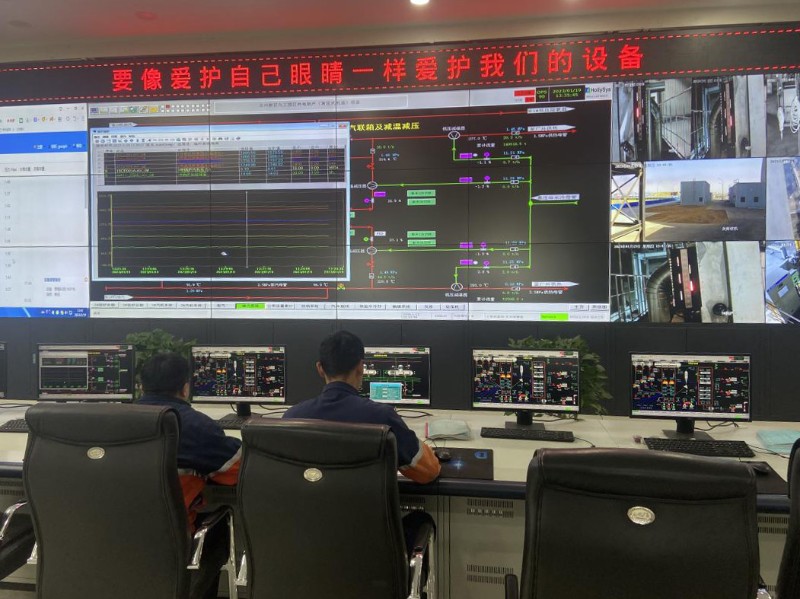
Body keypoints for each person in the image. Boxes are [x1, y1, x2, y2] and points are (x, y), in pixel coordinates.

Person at [136, 351, 240, 599]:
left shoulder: (110, 422)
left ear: (141, 387)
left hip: (110, 531)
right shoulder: (195, 426)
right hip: (172, 537)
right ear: (185, 388)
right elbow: (238, 472)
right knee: (219, 529)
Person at [283, 330, 441, 484]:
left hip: (312, 502)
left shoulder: (291, 418)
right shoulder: (382, 418)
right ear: (361, 367)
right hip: (366, 503)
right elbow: (429, 472)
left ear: (320, 368)